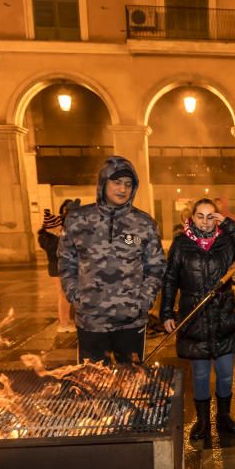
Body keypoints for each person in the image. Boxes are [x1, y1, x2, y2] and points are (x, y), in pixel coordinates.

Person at [161, 198, 235, 440]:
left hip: (224, 315)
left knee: (225, 373)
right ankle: (203, 421)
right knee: (201, 374)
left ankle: (224, 416)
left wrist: (231, 227)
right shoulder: (181, 244)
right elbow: (170, 279)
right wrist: (166, 312)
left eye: (210, 215)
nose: (205, 221)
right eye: (200, 215)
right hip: (195, 317)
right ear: (191, 218)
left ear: (217, 217)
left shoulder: (225, 240)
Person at [58, 156, 166, 365]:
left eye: (128, 184)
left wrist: (143, 302)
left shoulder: (144, 223)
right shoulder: (78, 220)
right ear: (103, 183)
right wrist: (76, 297)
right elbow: (66, 262)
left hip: (131, 322)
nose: (122, 189)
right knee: (93, 385)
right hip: (91, 321)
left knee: (131, 385)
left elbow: (156, 267)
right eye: (116, 182)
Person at [37, 209, 74, 333]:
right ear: (52, 227)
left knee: (65, 295)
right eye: (59, 225)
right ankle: (63, 324)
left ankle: (66, 320)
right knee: (63, 295)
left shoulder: (53, 238)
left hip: (59, 268)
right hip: (57, 268)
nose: (62, 227)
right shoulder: (50, 240)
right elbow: (61, 252)